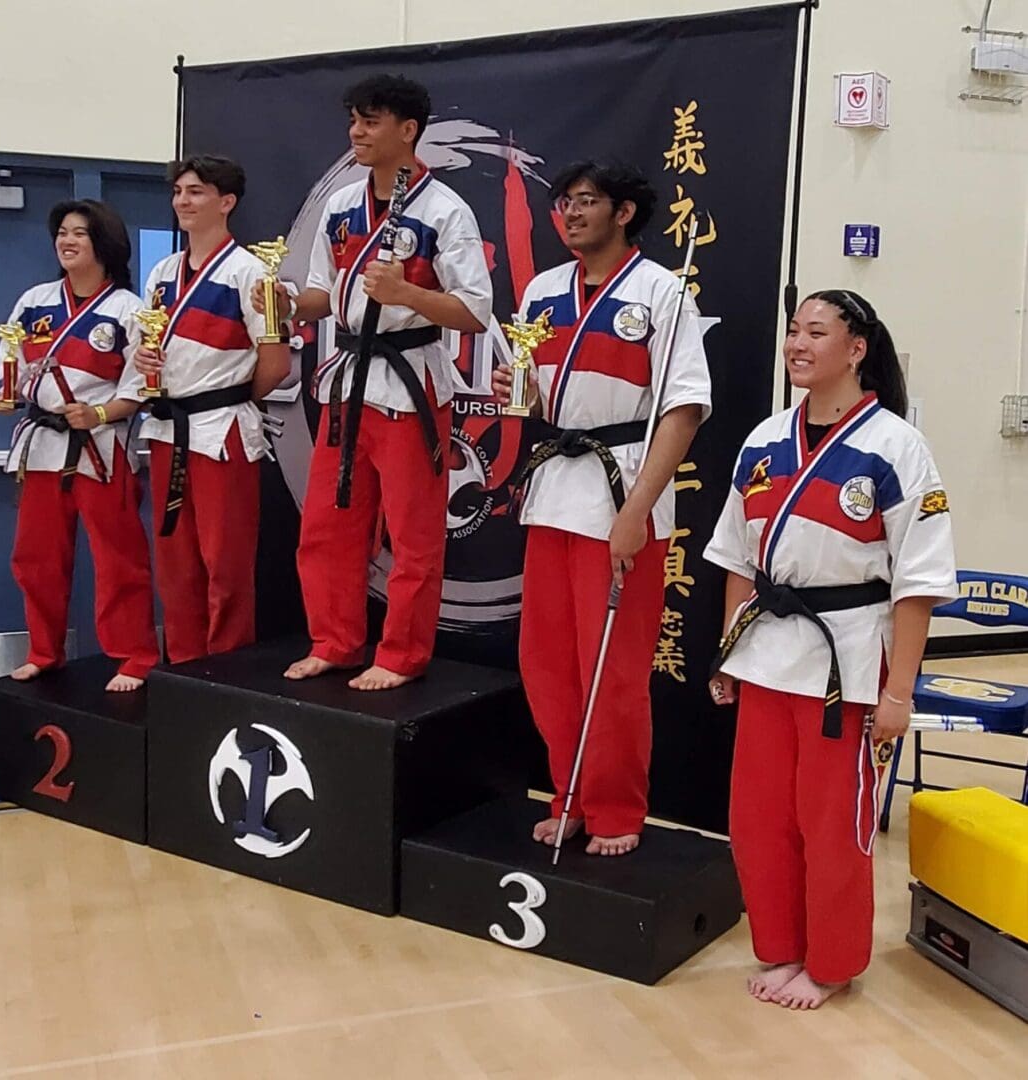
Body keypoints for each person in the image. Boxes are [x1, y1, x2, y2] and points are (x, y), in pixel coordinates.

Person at [703, 290, 957, 1008]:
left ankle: (831, 962)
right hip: (767, 652)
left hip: (847, 660)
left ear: (855, 349)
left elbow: (918, 583)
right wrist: (729, 651)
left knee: (831, 825)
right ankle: (780, 947)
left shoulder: (896, 447)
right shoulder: (762, 441)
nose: (796, 344)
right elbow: (735, 557)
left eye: (815, 331)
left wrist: (898, 694)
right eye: (791, 331)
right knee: (757, 820)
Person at [492, 161, 711, 856]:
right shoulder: (541, 291)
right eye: (563, 201)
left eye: (586, 202)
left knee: (612, 669)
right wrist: (514, 386)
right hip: (552, 488)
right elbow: (531, 399)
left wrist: (636, 512)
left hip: (619, 493)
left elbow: (681, 411)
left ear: (622, 212)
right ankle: (571, 796)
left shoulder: (661, 291)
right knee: (547, 664)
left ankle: (617, 809)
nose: (570, 213)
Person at [258, 74, 493, 691]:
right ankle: (334, 640)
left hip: (411, 385)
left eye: (371, 121)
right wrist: (281, 300)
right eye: (354, 122)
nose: (356, 133)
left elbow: (475, 309)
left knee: (414, 535)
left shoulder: (447, 211)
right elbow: (318, 295)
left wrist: (407, 294)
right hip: (346, 386)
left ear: (408, 130)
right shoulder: (340, 207)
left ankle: (402, 654)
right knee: (329, 527)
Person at [0, 199, 159, 692]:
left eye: (79, 233)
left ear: (103, 242)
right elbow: (13, 361)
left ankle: (134, 654)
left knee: (119, 558)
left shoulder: (129, 309)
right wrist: (7, 392)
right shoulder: (35, 300)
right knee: (35, 556)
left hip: (101, 448)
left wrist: (101, 413)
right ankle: (44, 650)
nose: (66, 241)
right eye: (61, 232)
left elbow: (142, 385)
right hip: (42, 444)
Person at [133, 155, 289, 663]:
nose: (183, 200)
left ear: (227, 202)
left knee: (225, 562)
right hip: (166, 427)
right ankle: (182, 665)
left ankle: (227, 671)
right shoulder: (161, 271)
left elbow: (276, 363)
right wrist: (143, 357)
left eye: (196, 191)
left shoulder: (252, 273)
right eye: (179, 191)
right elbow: (148, 342)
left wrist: (229, 395)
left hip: (222, 431)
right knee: (176, 561)